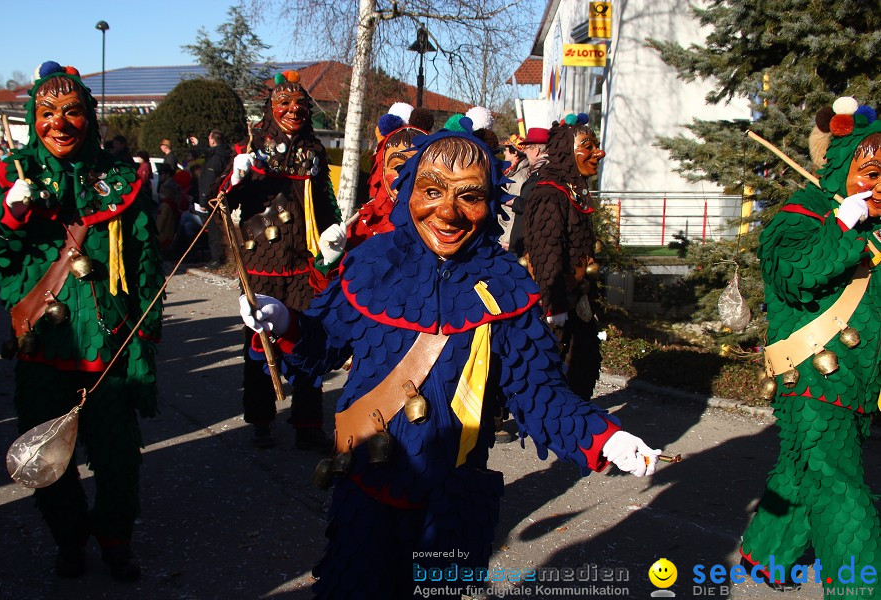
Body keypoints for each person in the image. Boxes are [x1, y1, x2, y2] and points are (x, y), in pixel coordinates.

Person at [240, 125, 660, 599]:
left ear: (491, 203)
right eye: (432, 190)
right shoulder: (372, 264)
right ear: (409, 191)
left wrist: (606, 436)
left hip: (453, 499)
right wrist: (284, 323)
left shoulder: (507, 288)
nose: (447, 212)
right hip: (367, 490)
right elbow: (321, 348)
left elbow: (541, 395)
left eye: (469, 196)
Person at [0, 61, 164, 581]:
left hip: (107, 349)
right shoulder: (11, 175)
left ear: (91, 117)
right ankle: (68, 539)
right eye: (46, 112)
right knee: (45, 459)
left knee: (119, 459)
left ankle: (114, 541)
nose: (58, 124)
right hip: (42, 348)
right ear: (33, 118)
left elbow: (147, 273)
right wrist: (12, 213)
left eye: (72, 112)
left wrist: (144, 350)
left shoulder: (121, 181)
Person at [739, 98, 881, 597]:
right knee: (840, 488)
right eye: (871, 173)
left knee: (807, 469)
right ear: (843, 167)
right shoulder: (799, 216)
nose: (880, 186)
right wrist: (842, 226)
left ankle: (764, 554)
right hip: (813, 374)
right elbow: (793, 276)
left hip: (861, 381)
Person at [226, 70, 342, 450]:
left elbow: (323, 199)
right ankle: (260, 419)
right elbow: (221, 203)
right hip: (260, 266)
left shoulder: (314, 150)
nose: (294, 110)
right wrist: (234, 178)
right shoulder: (253, 145)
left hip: (300, 265)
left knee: (306, 342)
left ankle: (307, 425)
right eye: (285, 104)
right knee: (259, 345)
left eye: (300, 104)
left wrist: (331, 232)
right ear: (271, 108)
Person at [523, 115, 605, 400]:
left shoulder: (574, 190)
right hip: (556, 308)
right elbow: (547, 255)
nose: (599, 153)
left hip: (577, 301)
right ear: (567, 152)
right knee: (556, 376)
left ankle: (581, 429)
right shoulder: (550, 195)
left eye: (596, 145)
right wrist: (552, 308)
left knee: (582, 369)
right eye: (588, 146)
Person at [346, 102, 434, 248]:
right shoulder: (364, 224)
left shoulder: (442, 226)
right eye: (399, 166)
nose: (406, 176)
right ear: (382, 169)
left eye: (415, 167)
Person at [190, 129, 231, 268]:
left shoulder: (214, 159)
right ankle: (220, 256)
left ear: (212, 140)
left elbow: (208, 181)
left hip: (212, 200)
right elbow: (207, 151)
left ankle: (217, 258)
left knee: (214, 231)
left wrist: (203, 201)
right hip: (220, 198)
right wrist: (198, 144)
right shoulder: (223, 153)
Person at [509, 127, 548, 257]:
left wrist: (515, 202)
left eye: (527, 148)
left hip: (530, 248)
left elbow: (538, 206)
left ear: (536, 150)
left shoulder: (545, 174)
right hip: (524, 244)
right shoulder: (536, 172)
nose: (524, 153)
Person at [498, 133, 530, 250]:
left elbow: (516, 212)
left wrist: (507, 240)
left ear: (515, 152)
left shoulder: (520, 177)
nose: (504, 153)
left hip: (509, 237)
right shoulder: (513, 172)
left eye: (506, 150)